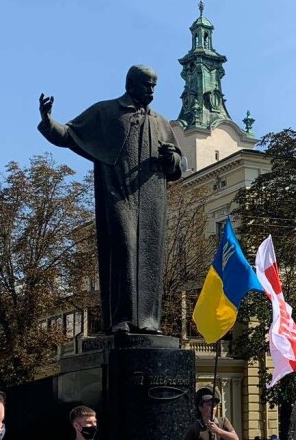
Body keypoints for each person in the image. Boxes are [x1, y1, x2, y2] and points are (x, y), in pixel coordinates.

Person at [37, 67, 185, 334]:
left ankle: (149, 321)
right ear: (130, 84)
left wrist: (171, 159)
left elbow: (178, 165)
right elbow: (70, 134)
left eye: (154, 86)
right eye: (146, 85)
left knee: (150, 256)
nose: (151, 91)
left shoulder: (161, 122)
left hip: (152, 199)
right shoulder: (106, 112)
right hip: (119, 195)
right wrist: (48, 121)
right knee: (123, 249)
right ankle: (121, 319)